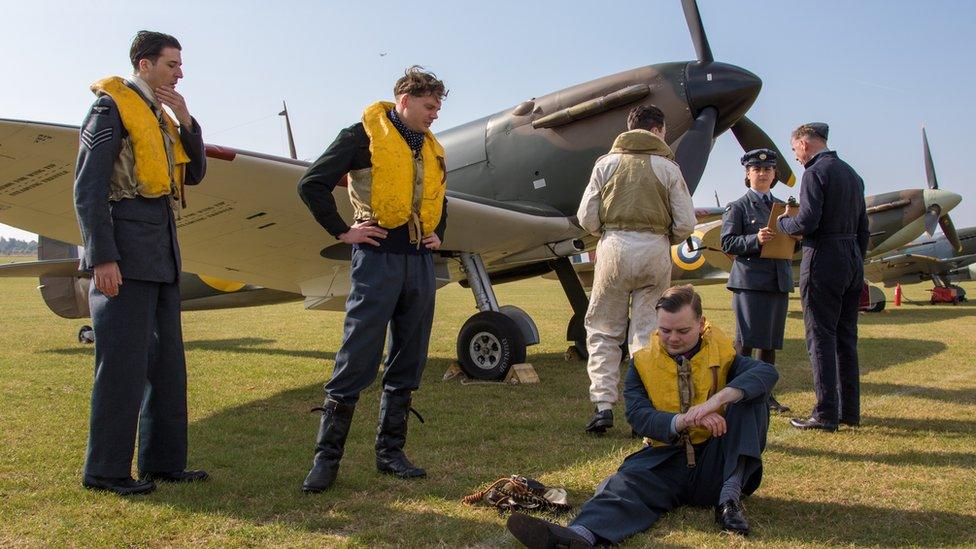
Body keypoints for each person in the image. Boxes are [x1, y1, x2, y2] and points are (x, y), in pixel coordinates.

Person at [506, 285, 778, 546]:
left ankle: (729, 501)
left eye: (683, 330)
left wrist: (714, 403)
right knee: (623, 485)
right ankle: (579, 537)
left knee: (751, 397)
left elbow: (766, 373)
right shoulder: (643, 362)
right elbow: (638, 415)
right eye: (665, 330)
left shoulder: (724, 354)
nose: (673, 338)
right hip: (667, 460)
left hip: (716, 464)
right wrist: (684, 420)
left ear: (701, 323)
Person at [297, 66, 448, 493]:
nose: (435, 114)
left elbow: (439, 195)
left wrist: (441, 233)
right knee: (357, 354)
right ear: (404, 100)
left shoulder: (431, 147)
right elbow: (311, 184)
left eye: (438, 107)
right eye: (428, 105)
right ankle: (326, 460)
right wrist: (343, 231)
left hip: (419, 261)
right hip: (377, 258)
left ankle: (390, 453)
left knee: (410, 355)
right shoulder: (359, 137)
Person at [74, 30, 208, 496]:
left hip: (162, 254)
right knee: (122, 367)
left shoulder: (161, 116)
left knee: (167, 366)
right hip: (125, 254)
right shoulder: (109, 109)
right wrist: (102, 258)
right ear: (144, 64)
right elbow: (88, 190)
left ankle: (163, 463)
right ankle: (105, 471)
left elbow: (195, 172)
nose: (179, 72)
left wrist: (186, 118)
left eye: (179, 64)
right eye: (172, 64)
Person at [575, 105, 697, 434]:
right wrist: (663, 235)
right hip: (654, 249)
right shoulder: (668, 168)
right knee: (646, 333)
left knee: (602, 329)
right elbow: (686, 223)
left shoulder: (606, 164)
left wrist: (609, 232)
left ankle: (603, 406)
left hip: (614, 246)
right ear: (658, 130)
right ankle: (640, 410)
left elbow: (586, 217)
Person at [777, 123, 868, 431]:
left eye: (794, 149)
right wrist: (856, 259)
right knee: (846, 337)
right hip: (852, 257)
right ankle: (849, 411)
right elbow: (864, 226)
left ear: (804, 143)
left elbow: (808, 221)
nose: (796, 156)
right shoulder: (852, 174)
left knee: (820, 336)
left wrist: (783, 224)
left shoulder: (815, 173)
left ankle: (825, 413)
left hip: (824, 258)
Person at [721, 148, 793, 414]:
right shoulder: (737, 207)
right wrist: (755, 239)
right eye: (757, 169)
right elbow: (727, 242)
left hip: (777, 279)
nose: (762, 174)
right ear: (748, 174)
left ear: (774, 175)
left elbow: (790, 247)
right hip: (750, 282)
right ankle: (735, 397)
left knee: (770, 343)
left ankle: (765, 396)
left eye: (767, 170)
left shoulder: (785, 208)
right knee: (746, 342)